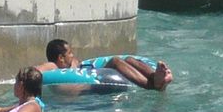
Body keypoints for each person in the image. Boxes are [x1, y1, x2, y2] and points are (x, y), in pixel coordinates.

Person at [38, 37, 172, 91]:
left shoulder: (70, 63)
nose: (72, 55)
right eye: (70, 53)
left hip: (91, 79)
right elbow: (35, 70)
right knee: (115, 61)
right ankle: (151, 85)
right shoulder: (53, 66)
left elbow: (77, 63)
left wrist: (75, 63)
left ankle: (154, 76)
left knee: (129, 59)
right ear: (61, 58)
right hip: (85, 89)